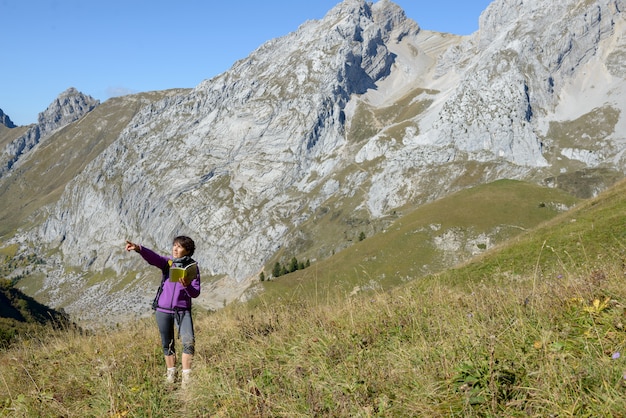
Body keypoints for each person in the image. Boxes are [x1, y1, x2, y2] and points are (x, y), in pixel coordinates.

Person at [125, 236, 201, 389]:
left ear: (188, 251)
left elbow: (195, 293)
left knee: (189, 343)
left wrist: (186, 285)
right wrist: (139, 249)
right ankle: (171, 376)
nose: (175, 249)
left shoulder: (193, 268)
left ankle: (187, 381)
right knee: (167, 345)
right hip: (163, 310)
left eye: (179, 247)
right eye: (174, 245)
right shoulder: (168, 264)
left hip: (182, 311)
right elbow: (154, 258)